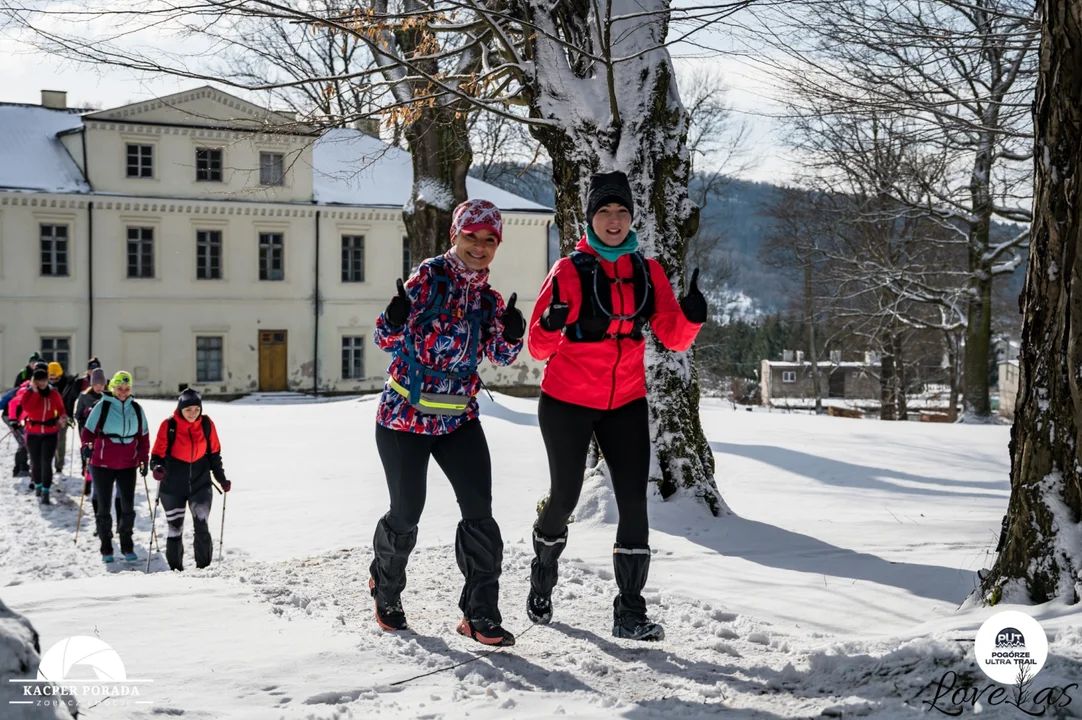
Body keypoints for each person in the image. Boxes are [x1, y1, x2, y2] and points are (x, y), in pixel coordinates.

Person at [526, 171, 707, 642]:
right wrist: (551, 322)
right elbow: (537, 346)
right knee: (563, 497)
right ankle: (542, 576)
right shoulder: (569, 270)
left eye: (622, 211)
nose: (613, 220)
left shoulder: (648, 271)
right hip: (566, 401)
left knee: (633, 503)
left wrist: (691, 317)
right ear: (590, 217)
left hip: (625, 399)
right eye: (604, 211)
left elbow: (670, 335)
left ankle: (630, 611)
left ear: (632, 217)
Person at [368, 198, 525, 646]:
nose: (479, 247)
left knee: (479, 513)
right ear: (455, 235)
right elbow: (385, 337)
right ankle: (387, 588)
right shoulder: (428, 278)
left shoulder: (489, 299)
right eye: (471, 236)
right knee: (406, 511)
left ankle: (480, 615)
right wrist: (394, 318)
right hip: (404, 417)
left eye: (489, 240)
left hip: (458, 418)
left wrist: (513, 332)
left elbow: (499, 356)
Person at [149, 389, 230, 571]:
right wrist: (157, 468)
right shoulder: (169, 425)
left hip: (200, 484)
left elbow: (214, 455)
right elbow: (156, 457)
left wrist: (221, 479)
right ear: (180, 409)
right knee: (175, 528)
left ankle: (204, 569)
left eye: (196, 409)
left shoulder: (207, 424)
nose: (192, 413)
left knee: (202, 524)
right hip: (172, 486)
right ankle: (176, 570)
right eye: (188, 409)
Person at [81, 371, 150, 564]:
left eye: (127, 388)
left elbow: (143, 437)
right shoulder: (102, 407)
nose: (123, 392)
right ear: (113, 388)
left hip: (128, 463)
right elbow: (87, 432)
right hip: (102, 463)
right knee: (103, 506)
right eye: (120, 388)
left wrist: (144, 460)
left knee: (128, 506)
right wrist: (86, 447)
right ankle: (106, 546)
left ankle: (127, 544)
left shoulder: (136, 409)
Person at [14, 365, 68, 505]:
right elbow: (28, 408)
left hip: (50, 432)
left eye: (44, 380)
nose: (41, 383)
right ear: (33, 381)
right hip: (33, 432)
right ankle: (38, 485)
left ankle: (45, 490)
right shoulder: (28, 394)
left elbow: (61, 408)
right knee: (35, 462)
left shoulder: (54, 394)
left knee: (46, 462)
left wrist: (62, 417)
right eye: (38, 381)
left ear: (47, 380)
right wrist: (36, 393)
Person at [75, 368, 120, 533]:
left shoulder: (110, 396)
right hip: (90, 439)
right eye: (96, 384)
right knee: (89, 468)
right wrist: (85, 424)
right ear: (91, 384)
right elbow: (78, 414)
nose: (99, 387)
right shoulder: (84, 396)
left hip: (107, 441)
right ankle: (88, 480)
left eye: (102, 384)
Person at [47, 361, 77, 475]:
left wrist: (69, 415)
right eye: (51, 378)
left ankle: (59, 465)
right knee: (49, 441)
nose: (53, 380)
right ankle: (47, 464)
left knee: (61, 440)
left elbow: (71, 400)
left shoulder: (68, 384)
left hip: (63, 416)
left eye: (56, 378)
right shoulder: (45, 385)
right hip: (48, 417)